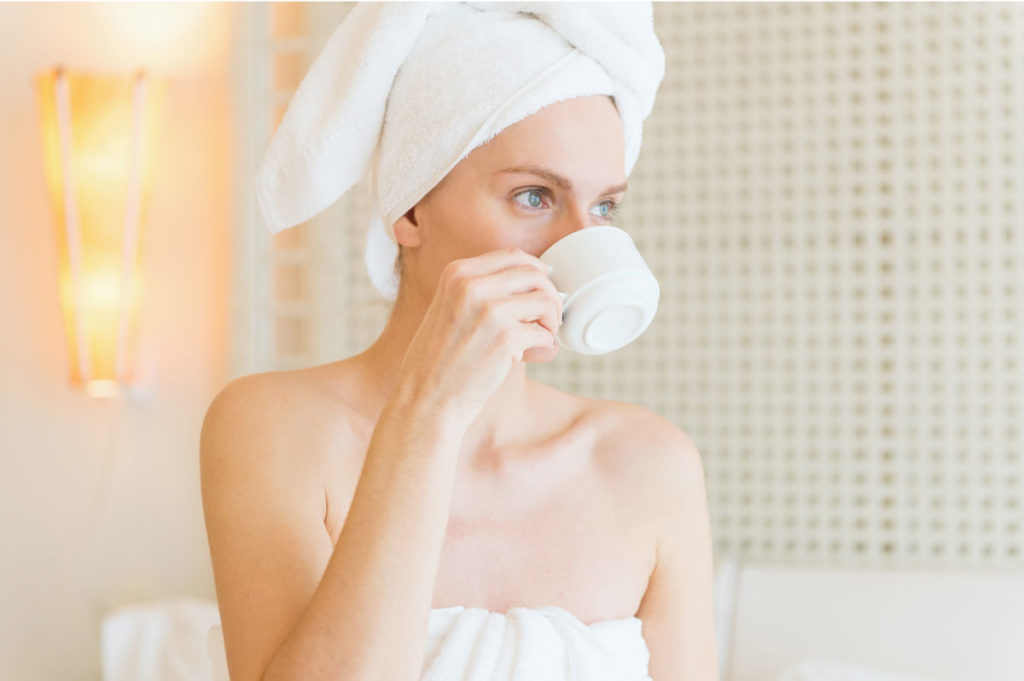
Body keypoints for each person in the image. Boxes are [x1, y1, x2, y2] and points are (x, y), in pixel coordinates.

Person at [200, 4, 718, 681]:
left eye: (604, 207)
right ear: (410, 210)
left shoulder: (651, 464)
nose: (578, 241)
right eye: (534, 196)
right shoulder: (271, 427)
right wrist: (428, 417)